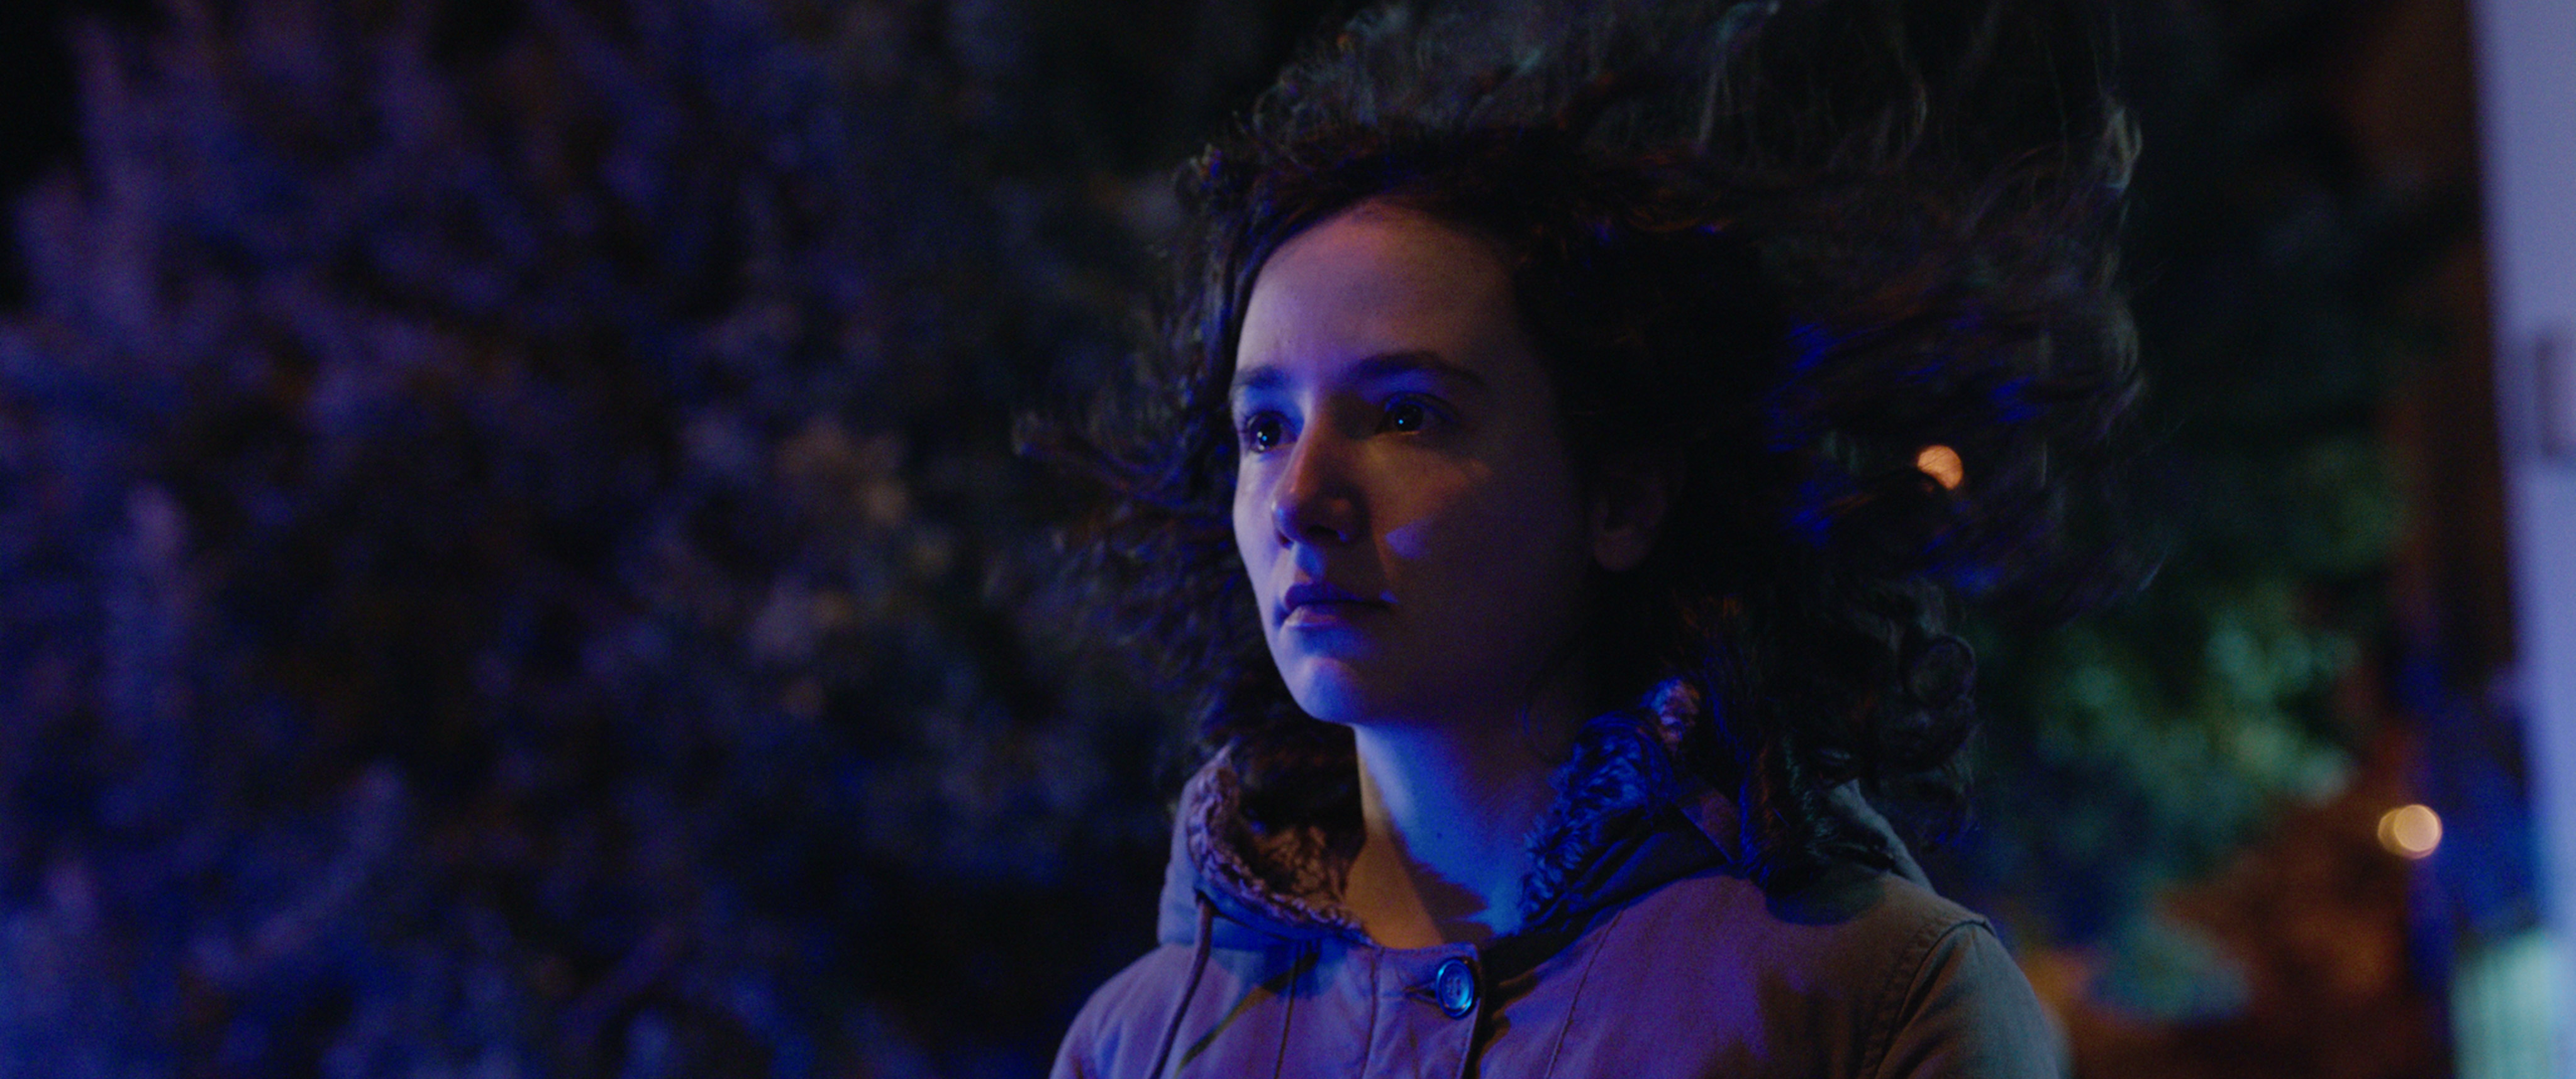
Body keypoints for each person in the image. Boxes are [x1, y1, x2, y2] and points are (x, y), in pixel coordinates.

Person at [1048, 0, 2137, 1073]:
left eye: (1408, 415)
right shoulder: (1134, 1044)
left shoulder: (1875, 999)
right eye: (1264, 428)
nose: (1299, 497)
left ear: (1621, 497)